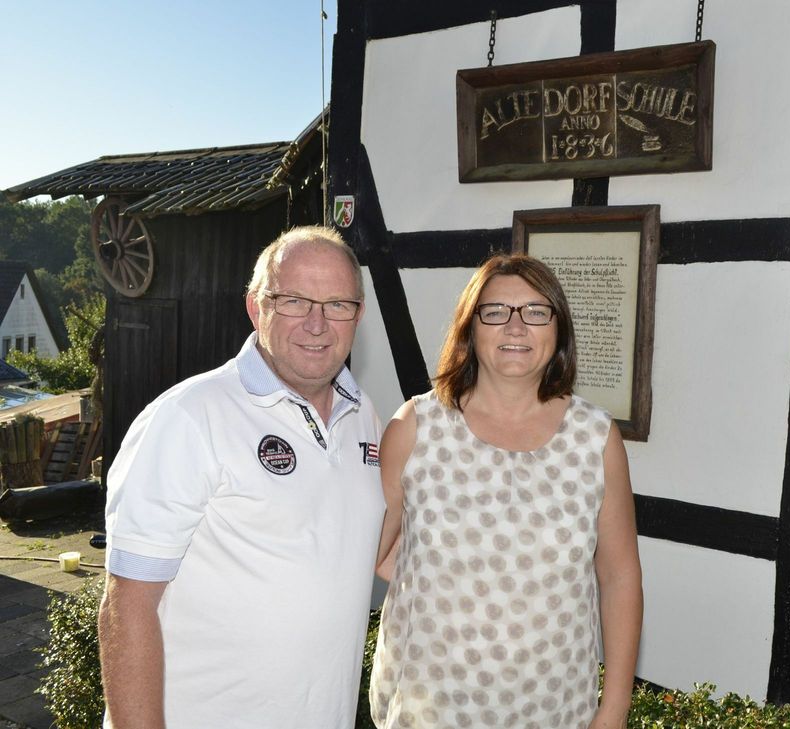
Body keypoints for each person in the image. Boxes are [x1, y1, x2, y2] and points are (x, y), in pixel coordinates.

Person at [98, 226, 385, 728]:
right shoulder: (190, 417)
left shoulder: (365, 418)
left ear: (358, 315)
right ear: (256, 307)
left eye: (338, 304)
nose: (318, 324)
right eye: (295, 300)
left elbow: (369, 549)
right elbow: (128, 606)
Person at [370, 254, 643, 729]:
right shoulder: (417, 427)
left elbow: (619, 576)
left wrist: (614, 707)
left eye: (536, 312)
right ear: (470, 328)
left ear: (558, 329)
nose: (516, 327)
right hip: (430, 709)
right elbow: (371, 549)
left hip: (556, 709)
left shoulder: (595, 439)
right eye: (495, 311)